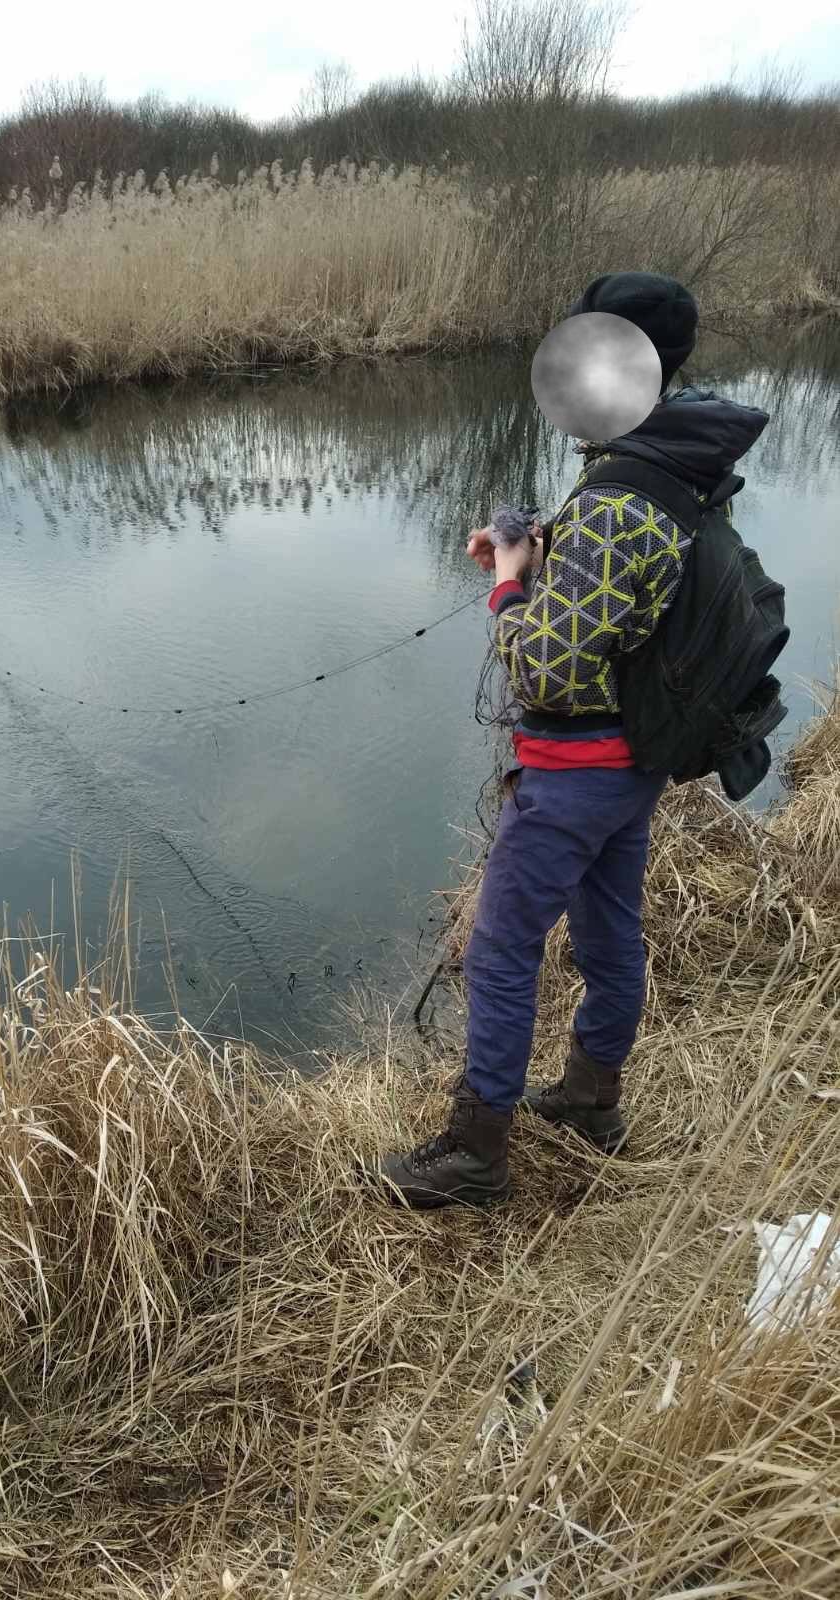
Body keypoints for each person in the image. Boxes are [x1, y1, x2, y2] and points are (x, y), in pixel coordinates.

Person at [373, 271, 771, 1209]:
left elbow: (544, 671)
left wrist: (509, 586)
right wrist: (542, 549)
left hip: (575, 770)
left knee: (499, 950)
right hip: (633, 761)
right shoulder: (681, 465)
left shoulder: (615, 497)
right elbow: (635, 592)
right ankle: (592, 1099)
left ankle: (474, 1154)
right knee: (607, 931)